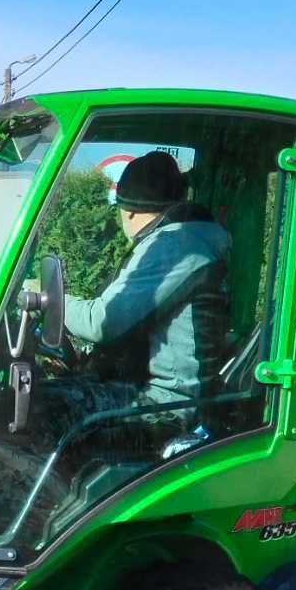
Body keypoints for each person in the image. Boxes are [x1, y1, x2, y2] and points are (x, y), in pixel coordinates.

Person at [58, 150, 230, 420]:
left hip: (167, 404)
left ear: (128, 211)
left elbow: (100, 323)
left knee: (43, 408)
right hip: (162, 392)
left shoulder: (176, 245)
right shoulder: (190, 238)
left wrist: (47, 301)